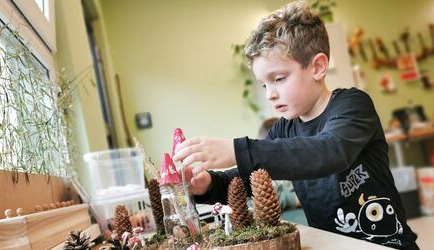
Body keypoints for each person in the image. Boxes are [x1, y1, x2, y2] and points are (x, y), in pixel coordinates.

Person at [173, 1, 418, 249]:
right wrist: (208, 184)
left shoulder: (353, 104)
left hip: (387, 244)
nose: (270, 94)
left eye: (278, 79)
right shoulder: (284, 128)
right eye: (264, 84)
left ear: (318, 67)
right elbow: (250, 177)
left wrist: (237, 150)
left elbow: (330, 151)